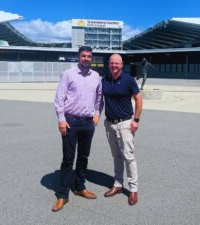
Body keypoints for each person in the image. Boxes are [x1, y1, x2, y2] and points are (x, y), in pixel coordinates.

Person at [52, 46, 103, 212]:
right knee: (68, 159)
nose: (86, 58)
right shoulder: (68, 74)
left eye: (89, 56)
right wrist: (61, 119)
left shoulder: (96, 76)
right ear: (78, 57)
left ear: (92, 58)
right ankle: (62, 195)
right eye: (83, 56)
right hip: (70, 122)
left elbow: (99, 98)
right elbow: (59, 98)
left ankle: (80, 187)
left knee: (83, 156)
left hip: (88, 123)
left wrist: (97, 114)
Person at [102, 54, 143, 205]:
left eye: (116, 63)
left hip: (125, 124)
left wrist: (136, 120)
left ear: (121, 64)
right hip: (110, 124)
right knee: (116, 156)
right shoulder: (104, 79)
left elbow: (139, 99)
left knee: (128, 157)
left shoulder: (128, 79)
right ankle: (118, 184)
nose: (114, 65)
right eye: (112, 63)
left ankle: (133, 189)